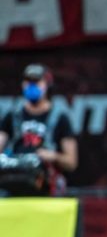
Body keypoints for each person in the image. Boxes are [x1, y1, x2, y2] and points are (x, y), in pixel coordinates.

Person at [0, 64, 77, 196]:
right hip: (14, 177)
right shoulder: (12, 115)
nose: (31, 86)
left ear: (47, 84)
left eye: (36, 82)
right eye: (28, 82)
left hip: (45, 181)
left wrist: (53, 156)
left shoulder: (60, 117)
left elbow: (71, 162)